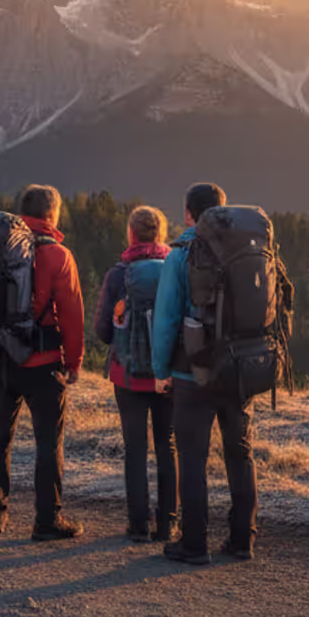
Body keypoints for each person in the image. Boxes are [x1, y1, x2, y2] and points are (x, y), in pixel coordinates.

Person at [152, 182, 257, 565]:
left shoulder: (181, 254)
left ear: (188, 214)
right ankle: (242, 539)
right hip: (241, 368)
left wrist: (160, 370)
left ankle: (193, 544)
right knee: (239, 454)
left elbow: (165, 320)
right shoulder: (249, 248)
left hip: (191, 372)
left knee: (193, 457)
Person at [0, 184, 85, 541]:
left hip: (2, 359)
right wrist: (73, 362)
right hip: (43, 362)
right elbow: (71, 315)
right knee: (47, 443)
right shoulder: (59, 255)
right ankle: (47, 521)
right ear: (52, 215)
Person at [93, 205, 177, 543]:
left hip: (127, 376)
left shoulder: (118, 275)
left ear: (131, 234)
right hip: (167, 375)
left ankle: (138, 525)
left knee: (135, 449)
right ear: (161, 234)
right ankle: (169, 524)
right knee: (167, 447)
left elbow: (101, 330)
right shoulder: (177, 270)